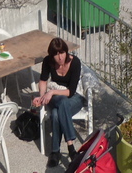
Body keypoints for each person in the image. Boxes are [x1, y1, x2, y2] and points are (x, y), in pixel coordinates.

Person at [33, 37, 83, 169]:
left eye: (62, 53)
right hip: (56, 96)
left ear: (66, 52)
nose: (60, 57)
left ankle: (55, 151)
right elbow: (43, 80)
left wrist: (52, 92)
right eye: (56, 54)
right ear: (51, 55)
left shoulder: (75, 62)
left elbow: (71, 92)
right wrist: (42, 95)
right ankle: (71, 147)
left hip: (73, 97)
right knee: (61, 103)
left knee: (56, 113)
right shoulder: (48, 62)